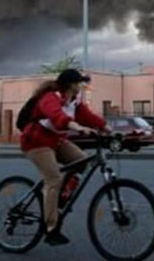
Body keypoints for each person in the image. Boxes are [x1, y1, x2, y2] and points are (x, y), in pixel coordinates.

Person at [20, 69, 112, 246]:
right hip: (36, 141)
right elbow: (56, 116)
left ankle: (62, 196)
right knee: (53, 179)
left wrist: (109, 129)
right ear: (71, 85)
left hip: (56, 140)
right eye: (79, 83)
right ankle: (51, 228)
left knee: (82, 160)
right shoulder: (50, 97)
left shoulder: (74, 102)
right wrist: (75, 126)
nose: (81, 86)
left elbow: (90, 117)